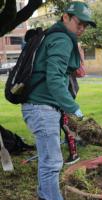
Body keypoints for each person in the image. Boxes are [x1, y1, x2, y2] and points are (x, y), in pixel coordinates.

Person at [21, 1, 96, 200]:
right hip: (41, 108)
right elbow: (54, 79)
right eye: (79, 23)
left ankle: (44, 195)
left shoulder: (55, 35)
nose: (82, 29)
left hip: (40, 107)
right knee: (52, 162)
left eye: (85, 25)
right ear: (66, 17)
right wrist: (74, 109)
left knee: (48, 160)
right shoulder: (62, 39)